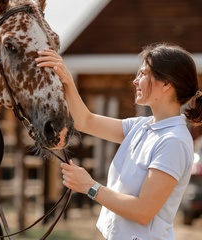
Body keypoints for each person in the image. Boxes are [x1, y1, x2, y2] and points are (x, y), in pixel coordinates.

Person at [35, 43, 202, 240]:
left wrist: (89, 186)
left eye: (143, 74)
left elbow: (142, 212)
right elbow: (86, 121)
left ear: (166, 84)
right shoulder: (141, 126)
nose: (135, 81)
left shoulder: (173, 141)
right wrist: (67, 80)